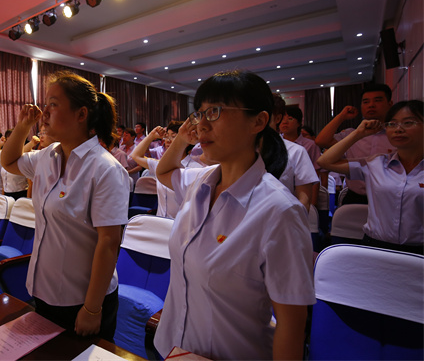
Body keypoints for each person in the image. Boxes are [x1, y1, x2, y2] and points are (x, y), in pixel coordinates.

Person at [153, 70, 315, 360]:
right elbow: (164, 171)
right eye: (199, 114)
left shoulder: (280, 212)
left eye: (214, 112)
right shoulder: (199, 181)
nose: (202, 125)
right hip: (170, 348)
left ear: (259, 121)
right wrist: (181, 139)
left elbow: (291, 324)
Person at [1, 71, 129, 341]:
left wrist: (92, 309)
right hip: (45, 290)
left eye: (53, 104)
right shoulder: (48, 155)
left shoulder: (105, 168)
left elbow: (108, 243)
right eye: (45, 104)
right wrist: (24, 126)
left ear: (81, 114)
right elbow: (9, 161)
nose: (44, 112)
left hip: (82, 298)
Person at [317, 100, 423, 254]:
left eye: (408, 123)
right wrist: (358, 134)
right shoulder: (376, 163)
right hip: (376, 246)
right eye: (392, 124)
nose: (398, 129)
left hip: (418, 251)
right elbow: (325, 161)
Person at [315, 84, 395, 204]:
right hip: (356, 197)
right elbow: (321, 141)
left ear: (390, 104)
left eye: (378, 100)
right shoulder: (351, 134)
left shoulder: (397, 135)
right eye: (366, 102)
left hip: (389, 198)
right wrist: (341, 116)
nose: (371, 105)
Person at [130, 122, 188, 219]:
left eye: (173, 136)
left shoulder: (194, 167)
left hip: (182, 225)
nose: (168, 141)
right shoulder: (161, 165)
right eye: (167, 137)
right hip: (161, 223)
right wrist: (151, 136)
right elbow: (135, 155)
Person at [0, 130, 34, 200]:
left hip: (21, 194)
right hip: (7, 194)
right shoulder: (5, 158)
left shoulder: (23, 158)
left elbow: (30, 183)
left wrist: (28, 200)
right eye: (7, 141)